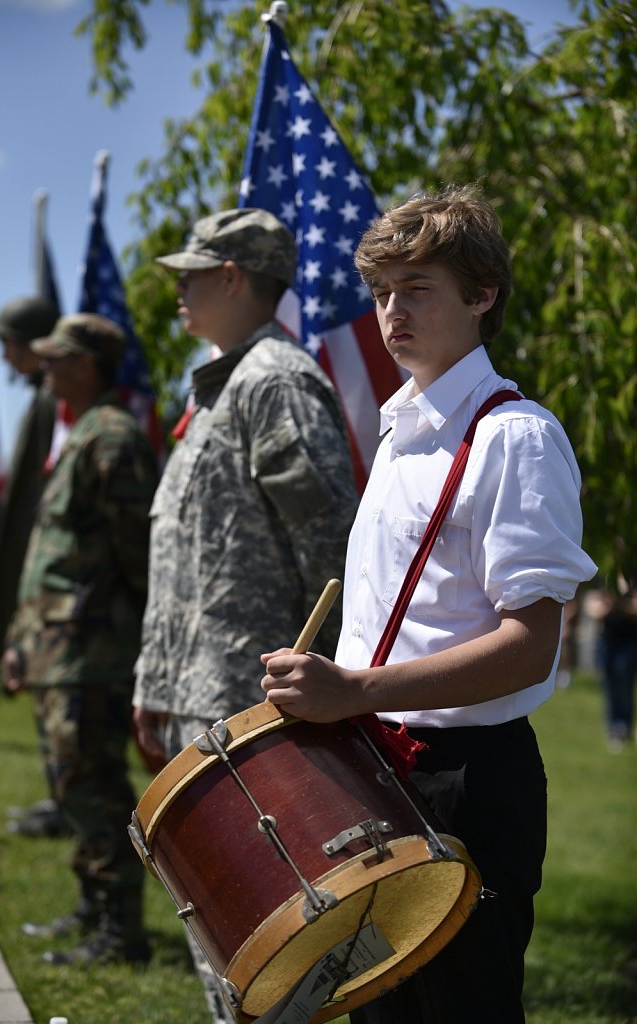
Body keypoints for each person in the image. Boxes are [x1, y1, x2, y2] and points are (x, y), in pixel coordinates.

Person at [260, 185, 598, 1023]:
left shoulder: (512, 436)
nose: (391, 311)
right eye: (381, 293)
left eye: (417, 289)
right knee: (379, 1008)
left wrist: (357, 691)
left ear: (481, 296)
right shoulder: (402, 430)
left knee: (460, 1009)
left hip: (467, 779)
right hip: (377, 767)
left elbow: (529, 646)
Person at [132, 208, 359, 1020]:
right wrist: (152, 684)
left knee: (272, 954)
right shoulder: (218, 391)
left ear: (233, 276)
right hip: (196, 705)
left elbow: (330, 550)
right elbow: (185, 564)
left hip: (251, 712)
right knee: (223, 943)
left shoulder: (275, 384)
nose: (179, 293)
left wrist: (315, 698)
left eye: (190, 275)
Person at [2, 313, 159, 966]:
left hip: (92, 651)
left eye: (56, 359)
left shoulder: (113, 437)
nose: (44, 370)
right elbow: (51, 556)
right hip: (57, 647)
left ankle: (121, 932)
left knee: (93, 785)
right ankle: (93, 910)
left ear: (87, 366)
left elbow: (138, 554)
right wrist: (21, 640)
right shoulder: (80, 434)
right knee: (71, 785)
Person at [0, 296, 61, 835]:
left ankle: (68, 807)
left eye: (9, 343)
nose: (5, 357)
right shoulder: (42, 400)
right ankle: (59, 799)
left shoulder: (55, 402)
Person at [594, 576, 637, 751]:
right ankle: (616, 727)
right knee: (610, 684)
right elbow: (595, 607)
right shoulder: (605, 574)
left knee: (624, 681)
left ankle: (623, 725)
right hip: (607, 639)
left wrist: (617, 605)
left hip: (629, 639)